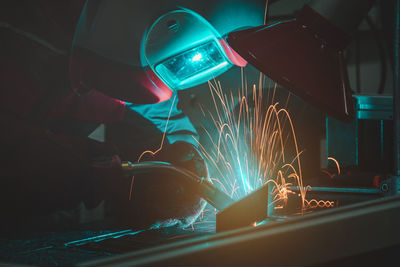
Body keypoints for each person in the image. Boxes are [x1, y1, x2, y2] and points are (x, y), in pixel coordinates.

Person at [0, 0, 207, 234]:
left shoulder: (110, 40)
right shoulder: (24, 49)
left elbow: (145, 92)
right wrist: (93, 174)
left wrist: (184, 141)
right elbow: (20, 156)